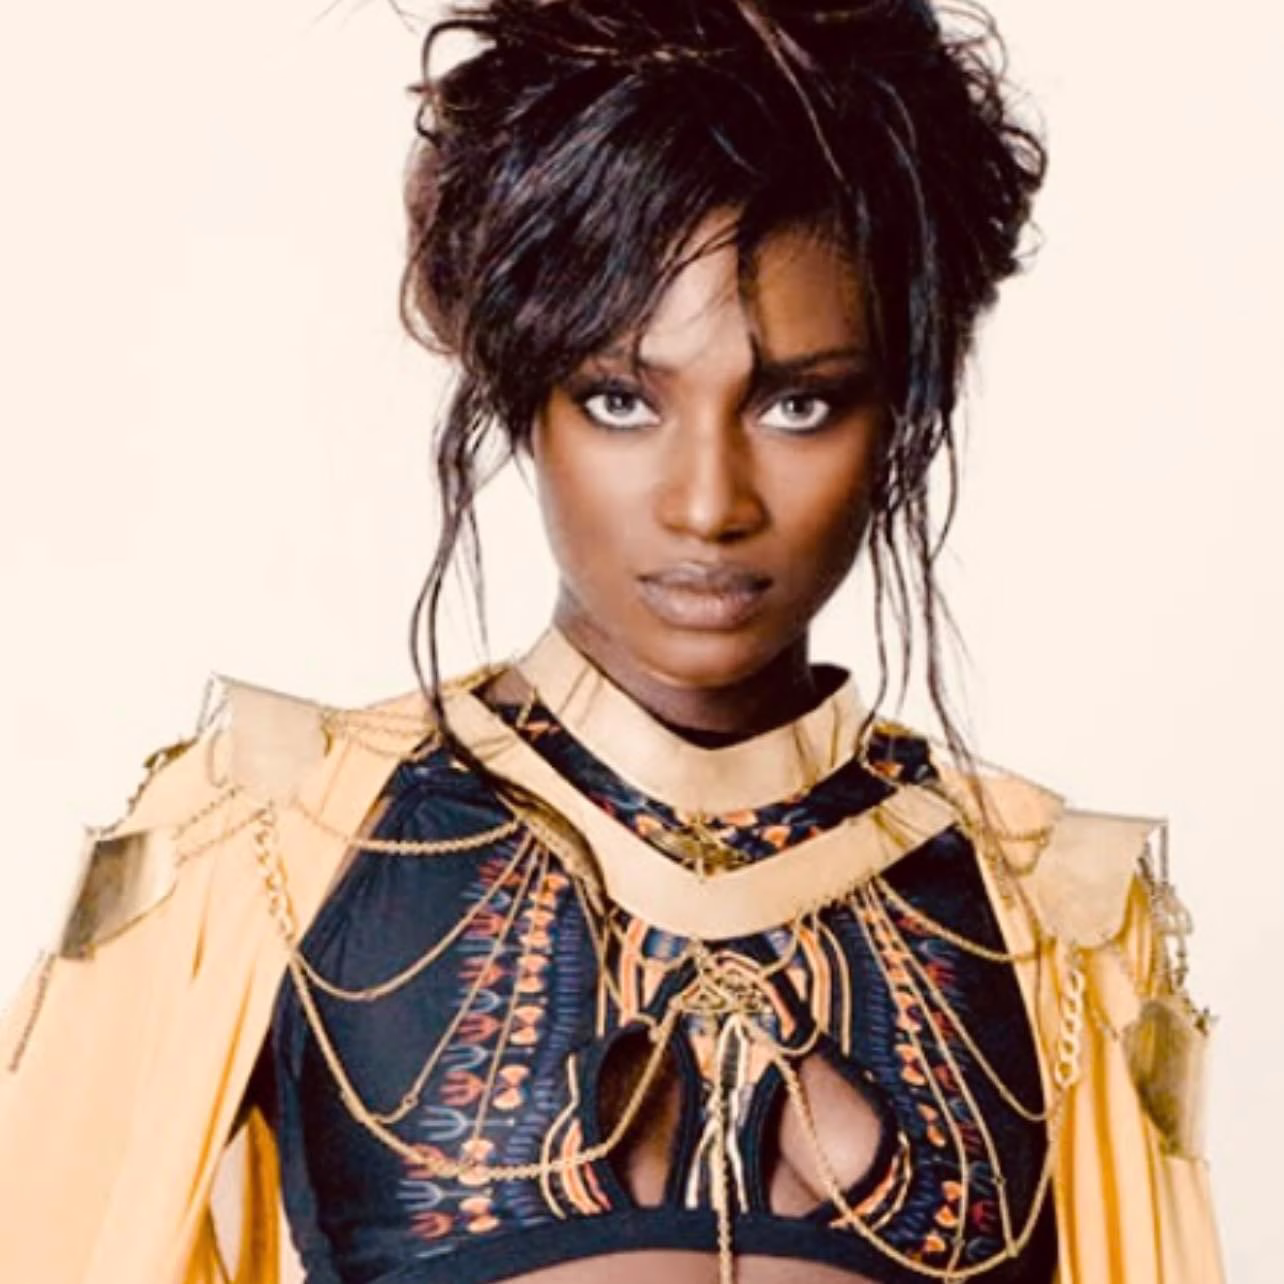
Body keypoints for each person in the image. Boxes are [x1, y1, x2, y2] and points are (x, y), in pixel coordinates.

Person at [0, 1, 1224, 1281]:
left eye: (800, 404)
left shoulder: (1058, 915)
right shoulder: (262, 843)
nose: (709, 505)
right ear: (517, 387)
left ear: (901, 410)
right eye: (622, 400)